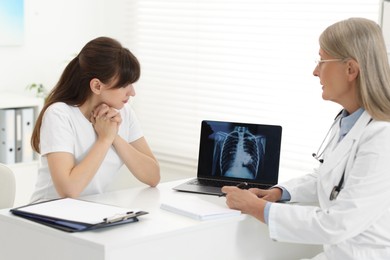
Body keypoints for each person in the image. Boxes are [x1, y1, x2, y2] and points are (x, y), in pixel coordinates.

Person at [222, 17, 390, 259]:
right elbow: (331, 179)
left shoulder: (382, 137)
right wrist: (280, 192)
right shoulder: (350, 121)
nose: (314, 71)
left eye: (321, 60)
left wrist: (257, 207)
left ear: (350, 69)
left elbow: (337, 224)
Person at [30, 37, 160, 203]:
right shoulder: (59, 115)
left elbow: (153, 176)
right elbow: (68, 190)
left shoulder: (124, 114)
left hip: (92, 213)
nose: (132, 92)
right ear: (97, 86)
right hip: (46, 215)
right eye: (124, 85)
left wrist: (115, 137)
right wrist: (104, 140)